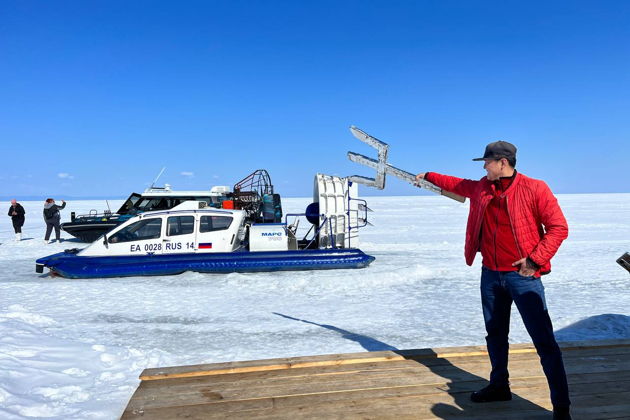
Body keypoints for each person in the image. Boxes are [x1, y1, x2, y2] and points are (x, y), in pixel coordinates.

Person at [416, 141, 571, 420]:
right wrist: (427, 175)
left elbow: (559, 228)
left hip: (523, 277)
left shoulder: (535, 188)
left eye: (486, 162)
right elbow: (457, 184)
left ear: (502, 162)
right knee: (496, 335)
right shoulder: (481, 187)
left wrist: (534, 260)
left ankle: (561, 408)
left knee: (544, 342)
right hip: (490, 275)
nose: (483, 166)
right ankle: (500, 385)